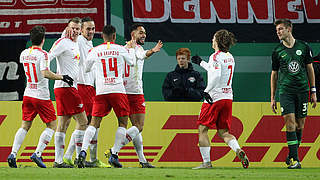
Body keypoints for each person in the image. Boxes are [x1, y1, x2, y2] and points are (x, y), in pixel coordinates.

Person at [7, 25, 74, 168]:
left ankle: (13, 154)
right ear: (43, 39)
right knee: (52, 125)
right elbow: (45, 73)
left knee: (25, 126)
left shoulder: (24, 53)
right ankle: (37, 153)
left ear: (31, 39)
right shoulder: (43, 54)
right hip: (41, 95)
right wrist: (62, 77)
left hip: (28, 94)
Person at [76, 25, 136, 168]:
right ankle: (114, 154)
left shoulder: (95, 50)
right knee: (122, 122)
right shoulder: (121, 49)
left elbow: (86, 68)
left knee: (94, 123)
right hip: (117, 90)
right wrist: (131, 49)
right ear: (114, 36)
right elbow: (132, 63)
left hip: (101, 90)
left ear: (102, 36)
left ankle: (83, 152)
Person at [191, 29, 249, 169]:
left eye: (213, 38)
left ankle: (206, 163)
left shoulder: (215, 56)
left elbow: (216, 76)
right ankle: (238, 150)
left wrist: (206, 91)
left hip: (214, 97)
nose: (212, 41)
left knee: (202, 129)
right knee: (224, 132)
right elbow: (215, 70)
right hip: (228, 97)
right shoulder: (230, 56)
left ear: (217, 41)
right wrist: (201, 63)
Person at [62, 17, 109, 168]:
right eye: (88, 29)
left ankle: (71, 156)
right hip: (82, 86)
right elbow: (66, 38)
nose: (91, 32)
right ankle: (81, 158)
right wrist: (68, 30)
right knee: (89, 123)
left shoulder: (89, 43)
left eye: (93, 28)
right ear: (81, 30)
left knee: (87, 124)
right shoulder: (80, 41)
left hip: (90, 87)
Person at [270, 19, 317, 169]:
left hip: (302, 91)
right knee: (290, 123)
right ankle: (296, 160)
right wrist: (272, 97)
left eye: (281, 29)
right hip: (286, 92)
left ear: (289, 29)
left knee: (299, 125)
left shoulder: (304, 47)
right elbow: (274, 74)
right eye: (277, 29)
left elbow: (310, 69)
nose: (278, 32)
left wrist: (313, 91)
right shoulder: (277, 51)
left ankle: (292, 153)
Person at [120, 23, 163, 168]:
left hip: (122, 92)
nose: (144, 35)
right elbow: (142, 55)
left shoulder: (122, 49)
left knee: (133, 127)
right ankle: (114, 150)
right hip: (135, 93)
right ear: (133, 35)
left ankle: (142, 160)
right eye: (140, 32)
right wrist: (153, 50)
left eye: (144, 32)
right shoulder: (136, 49)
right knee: (139, 126)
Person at [48, 17, 88, 168]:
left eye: (78, 29)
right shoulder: (62, 42)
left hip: (67, 88)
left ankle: (58, 161)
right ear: (67, 28)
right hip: (66, 88)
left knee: (63, 124)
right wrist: (50, 73)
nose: (75, 31)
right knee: (83, 122)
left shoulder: (75, 43)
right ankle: (77, 157)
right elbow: (48, 56)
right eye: (73, 28)